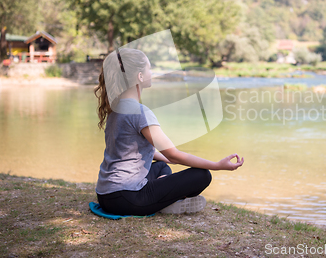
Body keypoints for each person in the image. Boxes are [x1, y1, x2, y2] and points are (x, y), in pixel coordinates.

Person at [94, 48, 244, 216]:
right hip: (128, 199)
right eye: (149, 68)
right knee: (202, 175)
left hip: (106, 196)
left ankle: (162, 199)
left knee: (161, 167)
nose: (152, 72)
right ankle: (165, 203)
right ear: (140, 76)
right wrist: (217, 165)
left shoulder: (116, 108)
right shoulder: (140, 112)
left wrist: (164, 158)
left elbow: (128, 149)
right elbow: (174, 155)